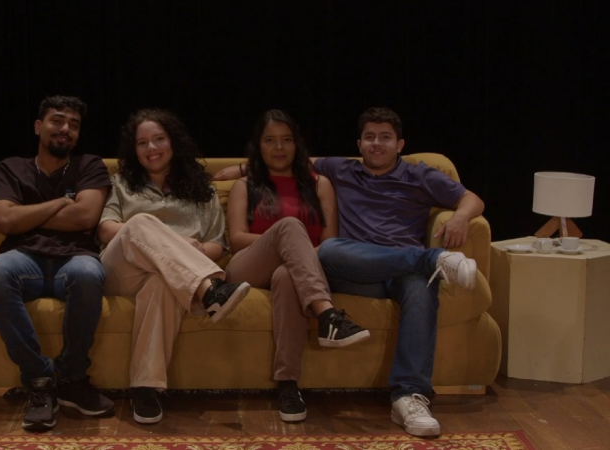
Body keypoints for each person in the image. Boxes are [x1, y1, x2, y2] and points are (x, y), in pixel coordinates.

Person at [214, 107, 484, 437]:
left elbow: (472, 199)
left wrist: (460, 217)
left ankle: (409, 396)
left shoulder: (419, 175)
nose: (376, 144)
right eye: (369, 137)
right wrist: (245, 167)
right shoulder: (342, 170)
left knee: (420, 288)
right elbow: (288, 164)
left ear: (400, 144)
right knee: (329, 249)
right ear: (359, 144)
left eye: (385, 138)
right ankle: (432, 260)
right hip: (351, 268)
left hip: (400, 272)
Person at [98, 109, 250, 425]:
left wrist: (192, 250)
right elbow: (107, 229)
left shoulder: (202, 189)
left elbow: (218, 245)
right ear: (133, 149)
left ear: (173, 142)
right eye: (142, 143)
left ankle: (145, 387)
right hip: (123, 270)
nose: (151, 148)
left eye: (159, 139)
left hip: (172, 276)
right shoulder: (121, 183)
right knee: (140, 223)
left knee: (162, 282)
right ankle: (209, 290)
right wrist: (175, 241)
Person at [223, 110, 370, 423]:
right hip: (249, 266)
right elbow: (236, 239)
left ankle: (288, 385)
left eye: (286, 140)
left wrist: (296, 256)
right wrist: (286, 243)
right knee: (290, 226)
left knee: (288, 275)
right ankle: (327, 315)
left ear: (297, 144)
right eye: (270, 140)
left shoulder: (320, 185)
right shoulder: (245, 185)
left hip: (303, 270)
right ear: (258, 146)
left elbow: (329, 242)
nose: (279, 147)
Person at [0, 95, 115, 432]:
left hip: (75, 257)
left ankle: (72, 378)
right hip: (24, 258)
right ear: (38, 126)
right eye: (57, 120)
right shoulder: (10, 168)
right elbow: (5, 221)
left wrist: (25, 215)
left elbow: (86, 216)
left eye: (74, 125)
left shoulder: (90, 165)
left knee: (88, 273)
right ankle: (39, 381)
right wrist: (60, 203)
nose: (66, 128)